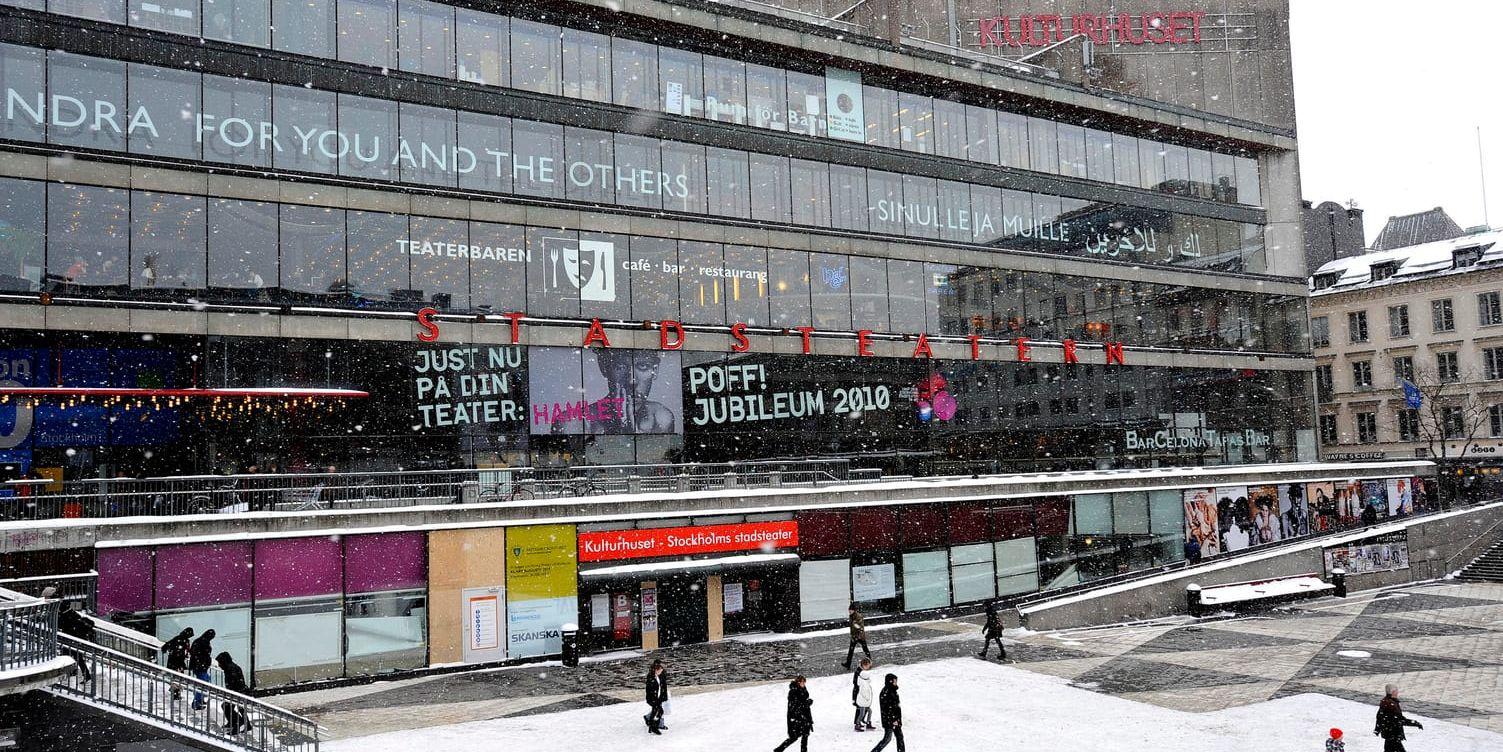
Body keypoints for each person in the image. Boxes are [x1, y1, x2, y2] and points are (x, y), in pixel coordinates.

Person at [57, 601, 95, 684]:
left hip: (70, 640)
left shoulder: (65, 615)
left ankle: (72, 673)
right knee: (77, 657)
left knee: (66, 656)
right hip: (76, 640)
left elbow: (60, 625)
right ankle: (79, 673)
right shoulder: (73, 613)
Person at [1375, 684, 1422, 751]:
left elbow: (1379, 716)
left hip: (1389, 734)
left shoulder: (1387, 702)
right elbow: (1399, 720)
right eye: (1396, 691)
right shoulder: (1390, 704)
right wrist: (1415, 723)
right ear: (1393, 692)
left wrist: (1377, 729)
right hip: (1393, 734)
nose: (1398, 692)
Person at [774, 675, 814, 752]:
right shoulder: (793, 692)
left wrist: (809, 718)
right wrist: (807, 703)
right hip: (797, 718)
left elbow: (803, 704)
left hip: (805, 717)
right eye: (802, 682)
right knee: (794, 737)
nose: (803, 684)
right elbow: (794, 706)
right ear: (798, 682)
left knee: (805, 735)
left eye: (804, 682)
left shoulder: (803, 690)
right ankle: (778, 750)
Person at [216, 652, 253, 735]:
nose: (219, 665)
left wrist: (231, 692)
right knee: (240, 709)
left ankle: (237, 724)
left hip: (237, 693)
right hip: (239, 692)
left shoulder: (230, 669)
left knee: (227, 707)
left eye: (219, 663)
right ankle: (245, 724)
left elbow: (234, 682)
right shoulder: (230, 667)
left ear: (223, 661)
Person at [870, 674, 904, 752]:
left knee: (899, 737)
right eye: (894, 681)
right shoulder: (886, 692)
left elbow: (895, 706)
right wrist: (893, 719)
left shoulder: (892, 690)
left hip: (895, 719)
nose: (896, 682)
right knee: (887, 739)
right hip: (890, 720)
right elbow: (887, 708)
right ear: (890, 681)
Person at [162, 627, 195, 702]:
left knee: (177, 678)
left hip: (175, 661)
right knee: (178, 678)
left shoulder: (179, 638)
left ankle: (176, 692)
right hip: (178, 662)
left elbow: (167, 645)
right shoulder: (183, 640)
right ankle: (176, 693)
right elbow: (182, 651)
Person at [189, 629, 217, 710]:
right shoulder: (200, 642)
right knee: (202, 684)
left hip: (202, 666)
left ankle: (200, 700)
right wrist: (202, 662)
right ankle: (196, 702)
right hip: (199, 667)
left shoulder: (203, 641)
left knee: (206, 681)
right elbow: (195, 653)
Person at [842, 603, 870, 668]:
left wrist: (858, 634)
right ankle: (848, 664)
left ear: (854, 610)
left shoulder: (858, 616)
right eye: (849, 610)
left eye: (850, 610)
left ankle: (869, 662)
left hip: (860, 636)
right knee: (851, 651)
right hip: (854, 636)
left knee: (865, 649)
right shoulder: (851, 616)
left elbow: (860, 627)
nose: (849, 611)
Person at [643, 659, 667, 735]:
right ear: (656, 670)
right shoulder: (651, 678)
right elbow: (650, 690)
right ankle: (654, 726)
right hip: (653, 698)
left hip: (658, 697)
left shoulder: (659, 676)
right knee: (659, 711)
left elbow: (663, 686)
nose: (662, 670)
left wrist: (663, 696)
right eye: (660, 669)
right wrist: (655, 700)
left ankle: (652, 726)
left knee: (656, 711)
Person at [853, 658, 875, 732]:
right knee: (860, 709)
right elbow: (856, 683)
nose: (869, 667)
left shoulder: (861, 672)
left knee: (861, 709)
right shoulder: (860, 673)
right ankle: (858, 722)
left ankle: (860, 721)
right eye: (868, 665)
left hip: (859, 693)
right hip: (859, 693)